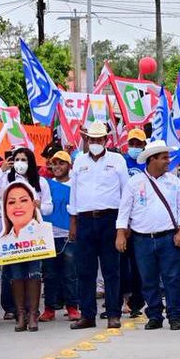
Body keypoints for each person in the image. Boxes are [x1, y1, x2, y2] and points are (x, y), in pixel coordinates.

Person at [116, 140, 180, 331]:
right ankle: (155, 315)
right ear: (152, 159)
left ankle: (175, 316)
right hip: (142, 239)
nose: (168, 161)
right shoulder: (134, 182)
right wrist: (120, 234)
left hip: (168, 237)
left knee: (172, 278)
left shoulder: (175, 182)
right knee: (148, 280)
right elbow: (124, 211)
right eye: (164, 158)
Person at [69, 122, 127, 330]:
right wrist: (73, 222)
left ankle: (113, 314)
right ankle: (87, 315)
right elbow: (74, 193)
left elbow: (125, 194)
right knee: (85, 271)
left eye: (99, 139)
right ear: (87, 139)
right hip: (84, 220)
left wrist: (123, 226)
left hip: (109, 219)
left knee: (112, 270)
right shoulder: (79, 162)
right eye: (92, 139)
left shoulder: (117, 161)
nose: (95, 143)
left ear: (106, 140)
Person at [0, 181, 48, 332]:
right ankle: (20, 315)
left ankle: (33, 314)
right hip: (13, 246)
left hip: (33, 243)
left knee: (34, 275)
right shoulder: (6, 237)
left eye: (24, 200)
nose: (18, 206)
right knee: (16, 276)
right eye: (12, 202)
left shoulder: (38, 230)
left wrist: (39, 206)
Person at [40, 149, 79, 322]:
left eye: (61, 163)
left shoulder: (75, 184)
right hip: (49, 234)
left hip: (67, 235)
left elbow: (76, 208)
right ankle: (49, 309)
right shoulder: (46, 184)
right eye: (54, 163)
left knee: (69, 273)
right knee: (49, 274)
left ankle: (72, 307)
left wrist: (73, 227)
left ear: (69, 166)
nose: (57, 166)